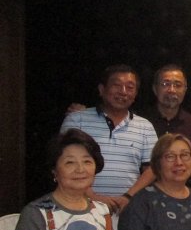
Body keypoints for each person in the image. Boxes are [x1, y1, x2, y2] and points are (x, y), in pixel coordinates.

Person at [61, 64, 158, 214]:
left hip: (127, 209)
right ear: (102, 89)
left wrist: (128, 197)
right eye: (117, 85)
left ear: (136, 94)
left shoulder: (145, 126)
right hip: (81, 207)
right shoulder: (77, 120)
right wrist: (94, 197)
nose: (123, 91)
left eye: (130, 87)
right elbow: (63, 164)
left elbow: (152, 169)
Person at [15, 129, 115, 230]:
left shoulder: (102, 211)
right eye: (70, 162)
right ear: (54, 171)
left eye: (87, 161)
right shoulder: (36, 213)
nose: (80, 169)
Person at [142, 65, 191, 198]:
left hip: (186, 195)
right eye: (165, 84)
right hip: (147, 195)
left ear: (185, 90)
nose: (171, 90)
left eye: (178, 85)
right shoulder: (142, 122)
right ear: (155, 89)